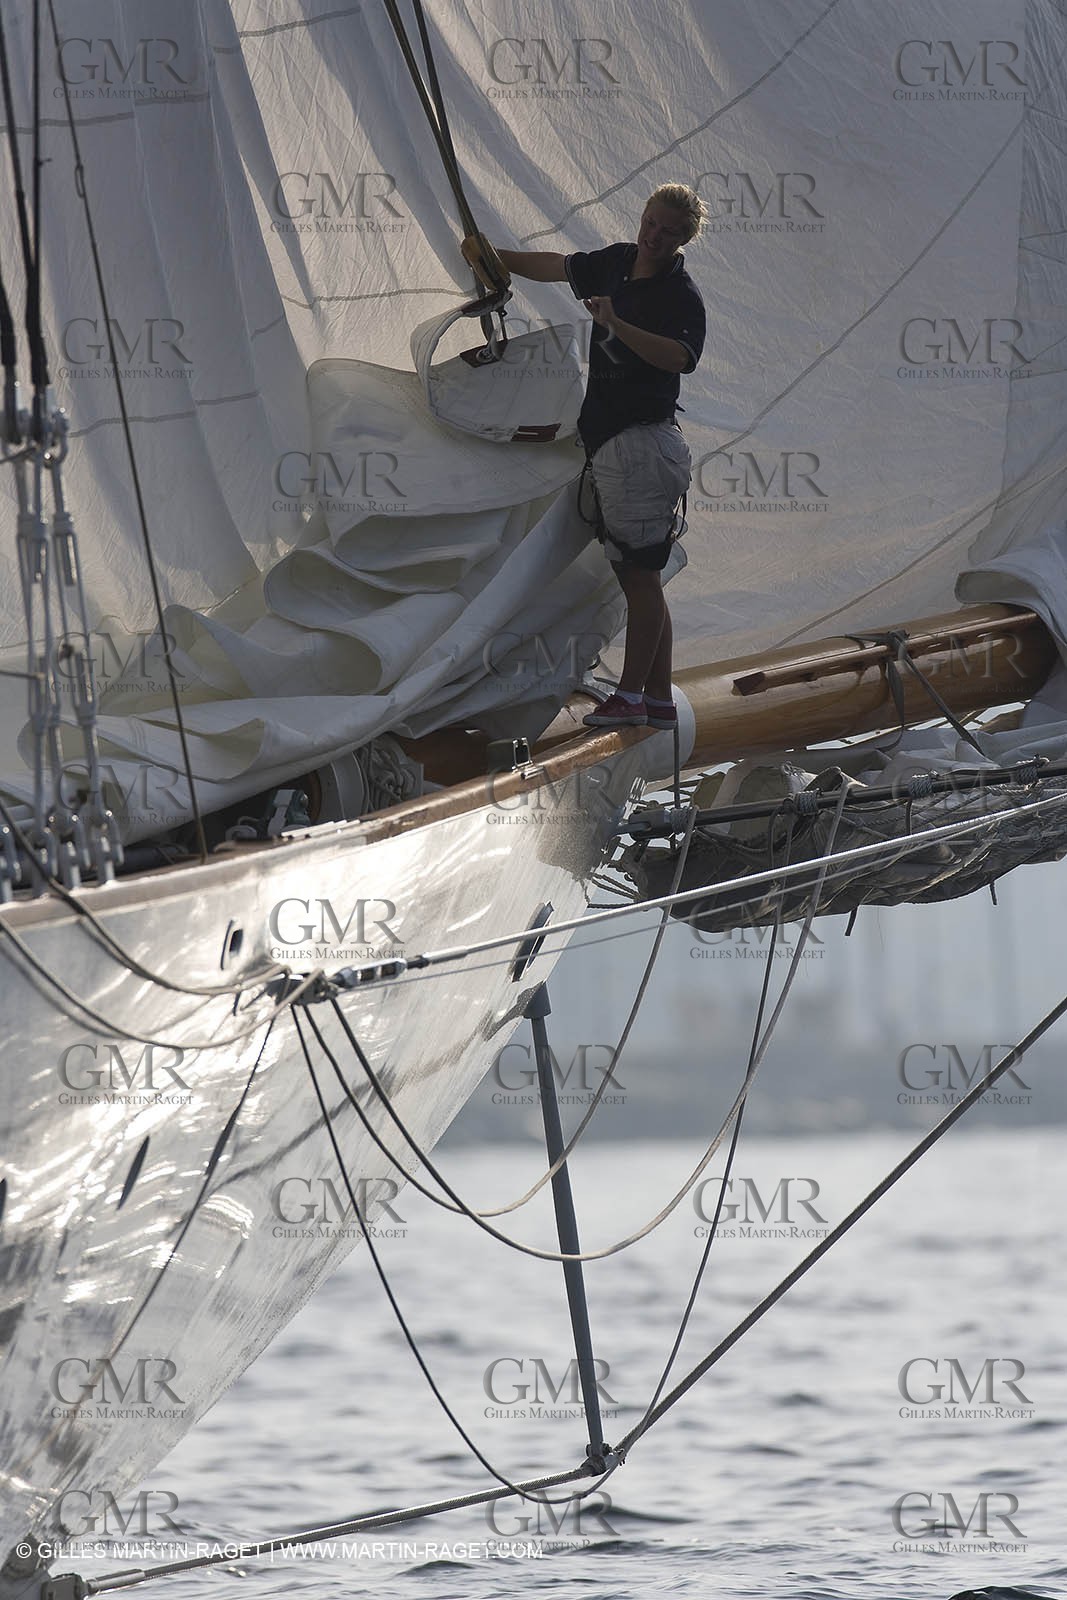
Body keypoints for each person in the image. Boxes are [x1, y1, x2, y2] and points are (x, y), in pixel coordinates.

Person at [463, 185, 706, 728]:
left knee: (640, 579)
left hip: (642, 447)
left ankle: (631, 697)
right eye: (650, 222)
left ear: (685, 238)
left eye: (668, 231)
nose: (653, 236)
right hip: (614, 448)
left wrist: (618, 324)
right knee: (640, 576)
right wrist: (496, 259)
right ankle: (659, 700)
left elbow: (679, 358)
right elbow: (559, 265)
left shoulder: (680, 296)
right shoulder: (619, 262)